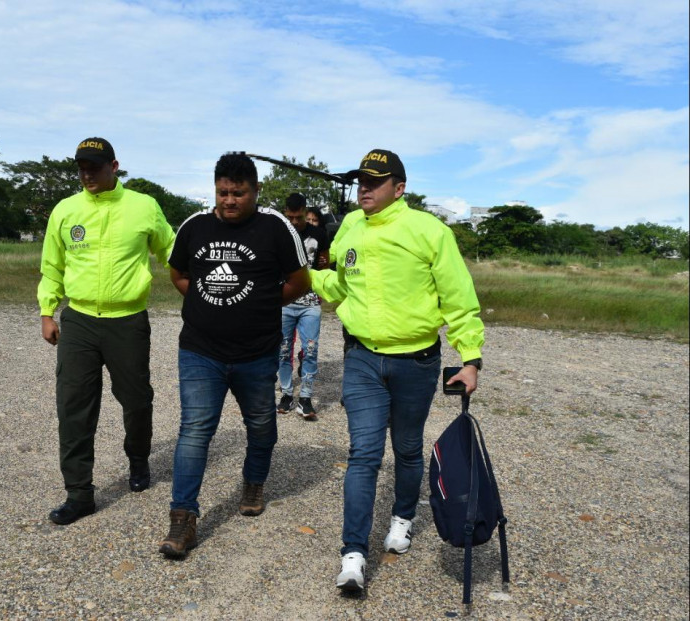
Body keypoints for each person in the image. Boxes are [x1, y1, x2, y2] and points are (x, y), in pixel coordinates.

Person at [310, 149, 485, 592]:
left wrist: (470, 358)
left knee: (407, 449)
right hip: (363, 358)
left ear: (399, 188)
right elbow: (339, 285)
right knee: (364, 454)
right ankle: (353, 555)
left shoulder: (430, 231)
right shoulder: (350, 227)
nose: (364, 188)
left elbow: (458, 298)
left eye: (374, 181)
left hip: (416, 362)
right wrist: (303, 277)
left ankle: (403, 518)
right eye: (360, 181)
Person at [159, 152, 310, 559]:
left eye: (238, 193)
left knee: (260, 426)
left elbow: (300, 280)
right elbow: (177, 273)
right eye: (222, 192)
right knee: (195, 430)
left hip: (256, 352)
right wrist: (206, 301)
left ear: (256, 191)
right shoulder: (195, 225)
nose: (229, 200)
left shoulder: (276, 227)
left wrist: (261, 303)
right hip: (200, 350)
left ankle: (254, 483)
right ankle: (183, 518)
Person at [38, 137, 176, 525]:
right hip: (79, 320)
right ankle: (79, 494)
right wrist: (48, 311)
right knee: (74, 408)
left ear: (114, 166)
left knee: (136, 401)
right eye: (81, 167)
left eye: (94, 167)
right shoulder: (66, 210)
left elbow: (172, 252)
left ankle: (138, 458)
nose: (86, 174)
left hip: (128, 320)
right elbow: (53, 265)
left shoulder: (144, 207)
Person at [276, 193, 330, 421]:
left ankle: (305, 397)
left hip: (310, 303)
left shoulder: (318, 232)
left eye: (298, 217)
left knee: (310, 349)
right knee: (283, 350)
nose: (295, 222)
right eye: (290, 217)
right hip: (285, 303)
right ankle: (287, 393)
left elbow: (325, 260)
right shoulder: (279, 232)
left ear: (305, 212)